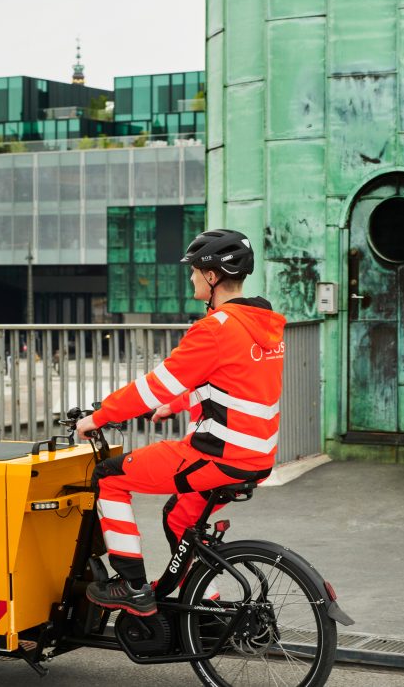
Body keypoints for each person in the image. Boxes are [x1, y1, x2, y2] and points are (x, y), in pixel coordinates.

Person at [75, 228, 286, 617]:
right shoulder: (263, 325)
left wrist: (98, 417)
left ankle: (132, 586)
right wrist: (176, 404)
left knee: (108, 476)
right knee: (178, 518)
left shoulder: (214, 329)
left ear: (212, 276)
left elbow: (151, 388)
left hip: (218, 455)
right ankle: (205, 608)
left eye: (194, 271)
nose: (190, 277)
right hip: (258, 454)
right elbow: (235, 382)